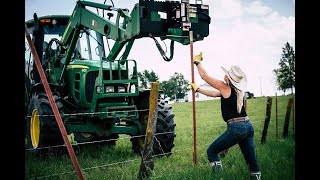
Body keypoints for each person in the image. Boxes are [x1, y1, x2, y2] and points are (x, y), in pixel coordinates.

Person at [190, 52, 261, 180]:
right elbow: (213, 93)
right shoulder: (236, 90)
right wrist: (198, 90)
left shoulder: (225, 87)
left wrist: (197, 62)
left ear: (228, 76)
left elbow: (204, 76)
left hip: (237, 127)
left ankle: (218, 177)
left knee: (211, 151)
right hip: (248, 126)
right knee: (251, 162)